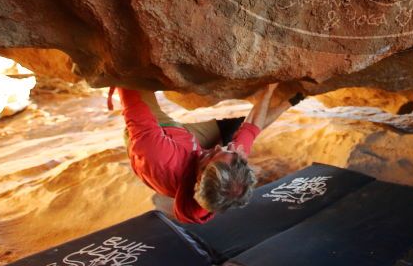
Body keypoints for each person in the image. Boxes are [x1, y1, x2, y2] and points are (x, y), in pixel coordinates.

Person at [109, 83, 301, 224]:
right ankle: (294, 100)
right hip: (188, 142)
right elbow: (251, 128)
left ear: (200, 177)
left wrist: (117, 76)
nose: (217, 148)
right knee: (237, 130)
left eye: (211, 155)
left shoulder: (157, 154)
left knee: (134, 78)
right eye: (228, 152)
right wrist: (269, 90)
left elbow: (132, 101)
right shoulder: (229, 175)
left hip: (160, 131)